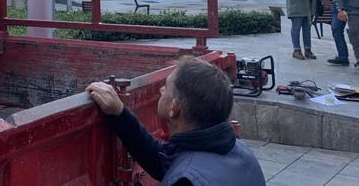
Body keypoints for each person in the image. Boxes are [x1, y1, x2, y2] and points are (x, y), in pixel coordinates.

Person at [86, 57, 265, 186]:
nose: (161, 90)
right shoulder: (239, 150)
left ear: (174, 108)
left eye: (166, 86)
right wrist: (119, 113)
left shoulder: (186, 179)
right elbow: (164, 161)